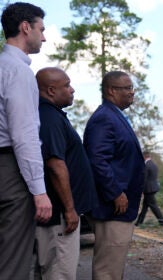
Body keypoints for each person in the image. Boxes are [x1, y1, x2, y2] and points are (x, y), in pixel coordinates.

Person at [0, 3, 52, 279]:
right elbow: (24, 136)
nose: (43, 37)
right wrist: (39, 191)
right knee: (13, 262)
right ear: (25, 27)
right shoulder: (17, 71)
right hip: (11, 171)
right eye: (41, 29)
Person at [33, 67, 98, 279]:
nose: (72, 90)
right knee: (60, 273)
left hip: (60, 213)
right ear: (51, 90)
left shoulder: (52, 115)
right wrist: (69, 209)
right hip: (59, 215)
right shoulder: (49, 118)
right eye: (67, 85)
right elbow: (55, 165)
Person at [84, 70, 145, 280]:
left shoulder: (114, 116)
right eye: (127, 88)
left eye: (131, 88)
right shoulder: (104, 118)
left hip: (119, 207)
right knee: (107, 270)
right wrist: (115, 192)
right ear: (111, 90)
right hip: (112, 207)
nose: (132, 92)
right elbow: (97, 160)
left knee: (114, 266)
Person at [135, 151, 163, 226]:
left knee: (153, 205)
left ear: (144, 156)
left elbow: (144, 179)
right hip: (153, 188)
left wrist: (141, 190)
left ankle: (161, 220)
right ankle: (139, 222)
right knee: (145, 206)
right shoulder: (153, 164)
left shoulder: (146, 165)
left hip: (148, 189)